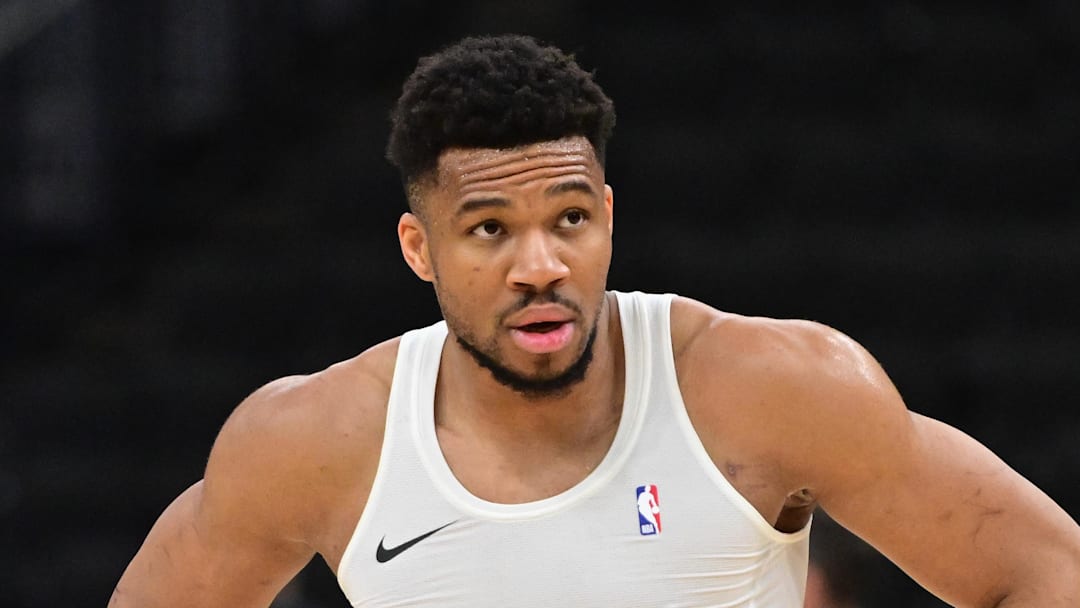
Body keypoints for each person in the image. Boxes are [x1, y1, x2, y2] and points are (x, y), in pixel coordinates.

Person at [109, 34, 1080, 607]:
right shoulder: (317, 441)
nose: (541, 266)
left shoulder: (771, 387)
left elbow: (1047, 572)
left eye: (569, 219)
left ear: (609, 215)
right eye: (489, 229)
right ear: (418, 248)